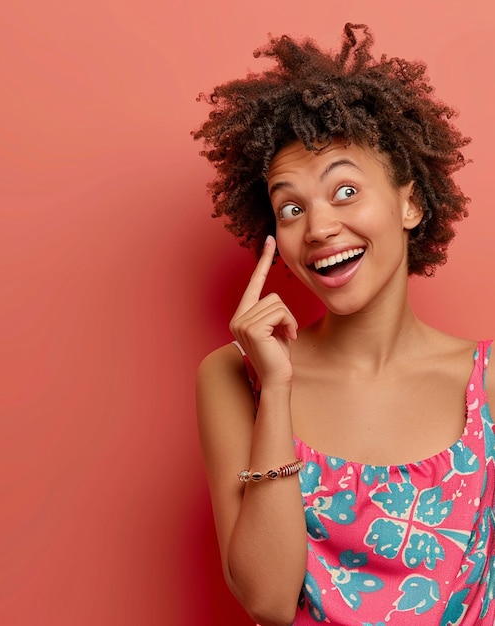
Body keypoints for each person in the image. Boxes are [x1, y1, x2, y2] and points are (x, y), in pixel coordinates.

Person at [193, 23, 494, 625]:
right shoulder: (235, 373)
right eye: (292, 207)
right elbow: (269, 601)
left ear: (410, 203)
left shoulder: (485, 380)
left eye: (346, 190)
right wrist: (276, 390)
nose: (320, 227)